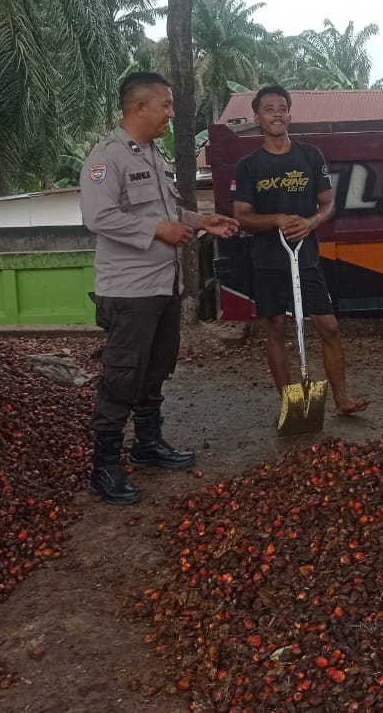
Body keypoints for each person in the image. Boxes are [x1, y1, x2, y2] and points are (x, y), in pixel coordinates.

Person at [81, 71, 239, 506]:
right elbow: (100, 217)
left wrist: (199, 221)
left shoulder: (153, 155)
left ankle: (148, 444)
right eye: (166, 105)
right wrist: (158, 229)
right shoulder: (106, 158)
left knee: (155, 370)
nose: (172, 113)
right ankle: (104, 466)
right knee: (122, 376)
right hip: (130, 290)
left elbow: (168, 210)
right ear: (139, 108)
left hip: (163, 284)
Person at [233, 85, 369, 418]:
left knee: (329, 327)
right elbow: (241, 216)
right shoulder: (249, 165)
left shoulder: (310, 156)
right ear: (257, 118)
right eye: (269, 109)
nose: (276, 114)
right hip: (267, 262)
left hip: (305, 259)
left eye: (282, 108)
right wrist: (276, 219)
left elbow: (328, 203)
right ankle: (291, 405)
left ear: (290, 115)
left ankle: (342, 400)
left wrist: (310, 224)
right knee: (276, 328)